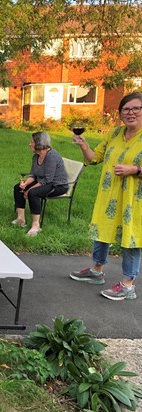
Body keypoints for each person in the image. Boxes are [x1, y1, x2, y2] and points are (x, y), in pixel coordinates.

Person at [69, 91, 142, 301]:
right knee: (102, 231)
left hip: (134, 200)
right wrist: (83, 145)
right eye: (125, 109)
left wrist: (134, 170)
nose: (130, 113)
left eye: (135, 108)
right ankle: (96, 270)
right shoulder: (114, 133)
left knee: (131, 239)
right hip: (109, 194)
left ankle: (128, 284)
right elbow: (94, 159)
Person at [12, 132, 68, 236]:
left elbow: (48, 179)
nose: (29, 144)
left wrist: (28, 190)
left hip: (58, 185)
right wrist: (25, 185)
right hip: (44, 182)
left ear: (39, 143)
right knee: (18, 188)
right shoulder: (35, 156)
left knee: (33, 193)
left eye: (32, 142)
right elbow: (33, 174)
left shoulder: (52, 156)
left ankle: (36, 225)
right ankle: (21, 219)